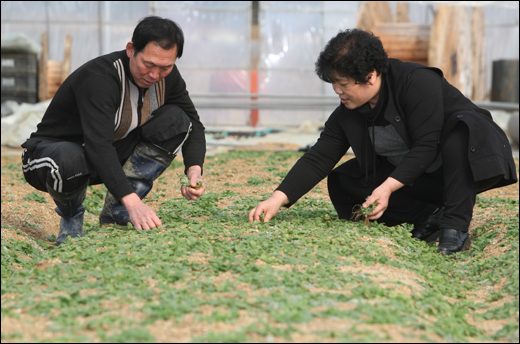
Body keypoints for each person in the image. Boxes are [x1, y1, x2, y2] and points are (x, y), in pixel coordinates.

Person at [249, 29, 517, 255]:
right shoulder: (348, 112)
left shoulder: (416, 82)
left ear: (371, 75)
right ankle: (429, 215)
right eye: (334, 83)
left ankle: (455, 227)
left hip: (466, 164)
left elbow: (426, 146)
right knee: (346, 180)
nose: (337, 91)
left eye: (342, 83)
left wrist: (387, 188)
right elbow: (320, 156)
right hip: (421, 180)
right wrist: (277, 198)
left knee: (461, 131)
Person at [21, 16, 207, 245]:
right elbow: (97, 144)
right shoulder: (101, 78)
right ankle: (71, 218)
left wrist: (194, 170)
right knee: (70, 158)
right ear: (131, 49)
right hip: (52, 159)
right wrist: (134, 202)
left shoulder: (167, 78)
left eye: (165, 67)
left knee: (177, 119)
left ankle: (115, 215)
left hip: (103, 156)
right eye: (148, 65)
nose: (155, 75)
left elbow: (193, 122)